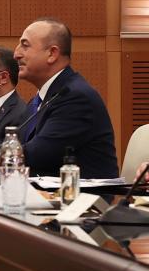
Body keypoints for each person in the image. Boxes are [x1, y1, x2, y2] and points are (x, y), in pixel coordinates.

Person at [14, 18, 118, 177]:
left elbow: (39, 154)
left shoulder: (75, 97)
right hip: (46, 195)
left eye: (25, 45)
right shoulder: (42, 99)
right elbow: (16, 144)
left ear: (52, 54)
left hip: (82, 198)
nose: (16, 54)